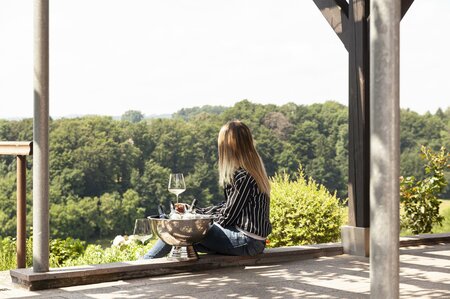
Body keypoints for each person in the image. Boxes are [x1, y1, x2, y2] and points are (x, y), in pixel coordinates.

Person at [143, 120, 271, 258]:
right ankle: (147, 264)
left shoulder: (243, 177)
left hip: (247, 242)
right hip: (251, 241)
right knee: (181, 238)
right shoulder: (251, 173)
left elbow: (227, 217)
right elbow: (227, 206)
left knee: (176, 229)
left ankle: (143, 264)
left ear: (228, 147)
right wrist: (194, 212)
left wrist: (195, 220)